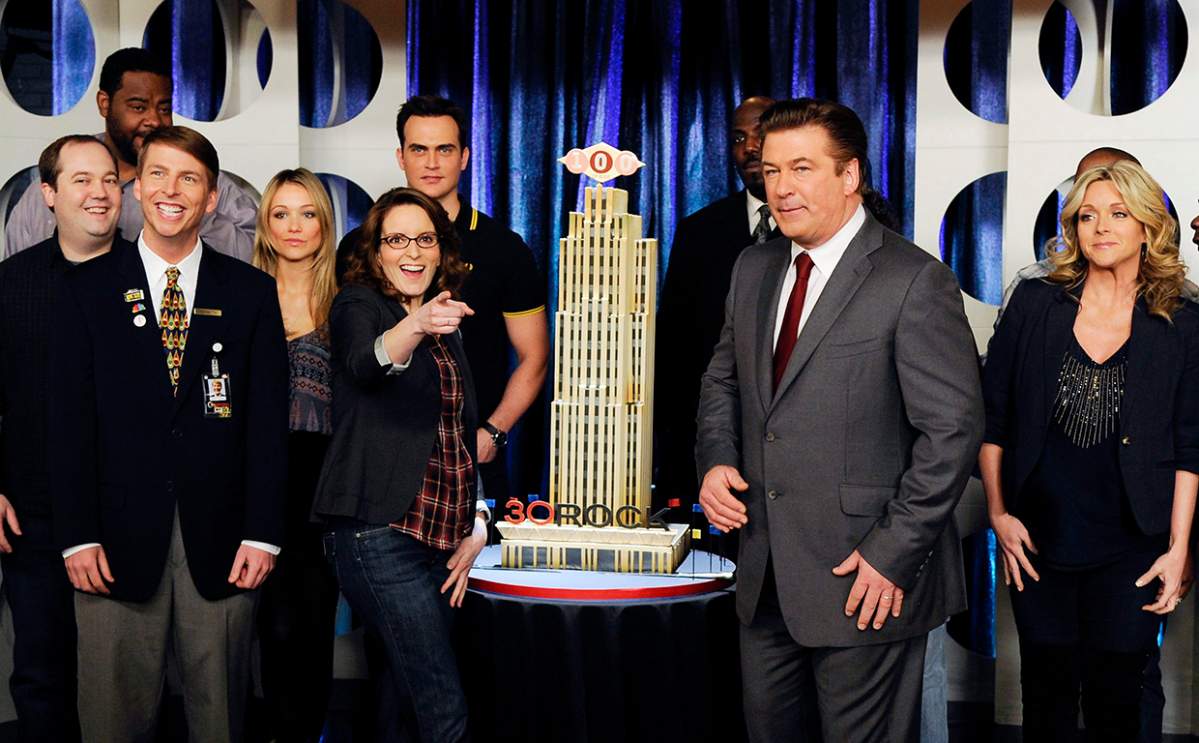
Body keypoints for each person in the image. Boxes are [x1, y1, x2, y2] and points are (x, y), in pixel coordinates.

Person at [695, 98, 983, 742]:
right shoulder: (753, 267)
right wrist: (716, 459)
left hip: (866, 578)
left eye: (802, 168)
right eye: (771, 171)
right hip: (765, 576)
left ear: (850, 176)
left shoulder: (914, 280)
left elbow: (952, 435)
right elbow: (723, 381)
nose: (782, 187)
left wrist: (891, 555)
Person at [49, 126, 288, 741]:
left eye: (190, 179)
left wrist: (264, 533)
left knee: (222, 719)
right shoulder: (86, 291)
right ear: (136, 188)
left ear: (211, 199)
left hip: (228, 541)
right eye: (157, 174)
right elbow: (68, 424)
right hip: (111, 540)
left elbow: (266, 427)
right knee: (111, 717)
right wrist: (76, 538)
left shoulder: (252, 294)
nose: (171, 190)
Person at [981, 160, 1198, 741]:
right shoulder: (1033, 304)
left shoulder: (1182, 319)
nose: (1100, 227)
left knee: (1118, 698)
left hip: (1133, 542)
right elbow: (993, 419)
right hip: (1038, 540)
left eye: (1118, 213)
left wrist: (1178, 549)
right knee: (1046, 696)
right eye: (1086, 215)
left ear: (1147, 227)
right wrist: (998, 516)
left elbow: (1189, 445)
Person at [314, 187, 488, 742]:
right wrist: (418, 324)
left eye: (424, 238)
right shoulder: (358, 305)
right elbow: (367, 364)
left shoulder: (444, 321)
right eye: (395, 240)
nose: (411, 251)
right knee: (442, 707)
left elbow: (459, 431)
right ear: (377, 251)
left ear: (441, 250)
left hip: (443, 541)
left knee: (403, 700)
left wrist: (479, 523)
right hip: (378, 535)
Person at [336, 95, 548, 505]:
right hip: (380, 461)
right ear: (401, 156)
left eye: (444, 149)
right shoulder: (359, 246)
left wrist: (494, 432)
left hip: (469, 460)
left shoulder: (504, 250)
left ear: (465, 157)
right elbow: (350, 353)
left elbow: (534, 356)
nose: (431, 162)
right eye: (419, 149)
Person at [0, 135, 131, 742]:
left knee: (129, 678)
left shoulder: (154, 283)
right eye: (80, 180)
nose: (99, 193)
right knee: (43, 673)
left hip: (132, 513)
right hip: (35, 514)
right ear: (48, 194)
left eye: (108, 179)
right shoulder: (9, 285)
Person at [3, 47, 258, 260]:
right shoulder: (56, 179)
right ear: (105, 104)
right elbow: (18, 276)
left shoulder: (205, 179)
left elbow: (257, 255)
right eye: (138, 107)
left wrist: (190, 206)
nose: (153, 121)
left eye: (164, 108)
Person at [250, 168, 341, 742]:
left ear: (324, 223)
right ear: (265, 222)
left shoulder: (349, 299)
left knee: (311, 623)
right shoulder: (240, 290)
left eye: (307, 213)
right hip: (255, 479)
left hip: (325, 484)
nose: (294, 226)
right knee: (262, 625)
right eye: (281, 213)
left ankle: (307, 732)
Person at [654, 95, 775, 512]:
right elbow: (672, 346)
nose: (750, 147)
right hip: (707, 444)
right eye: (740, 137)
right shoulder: (698, 231)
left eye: (760, 132)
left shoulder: (813, 232)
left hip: (790, 450)